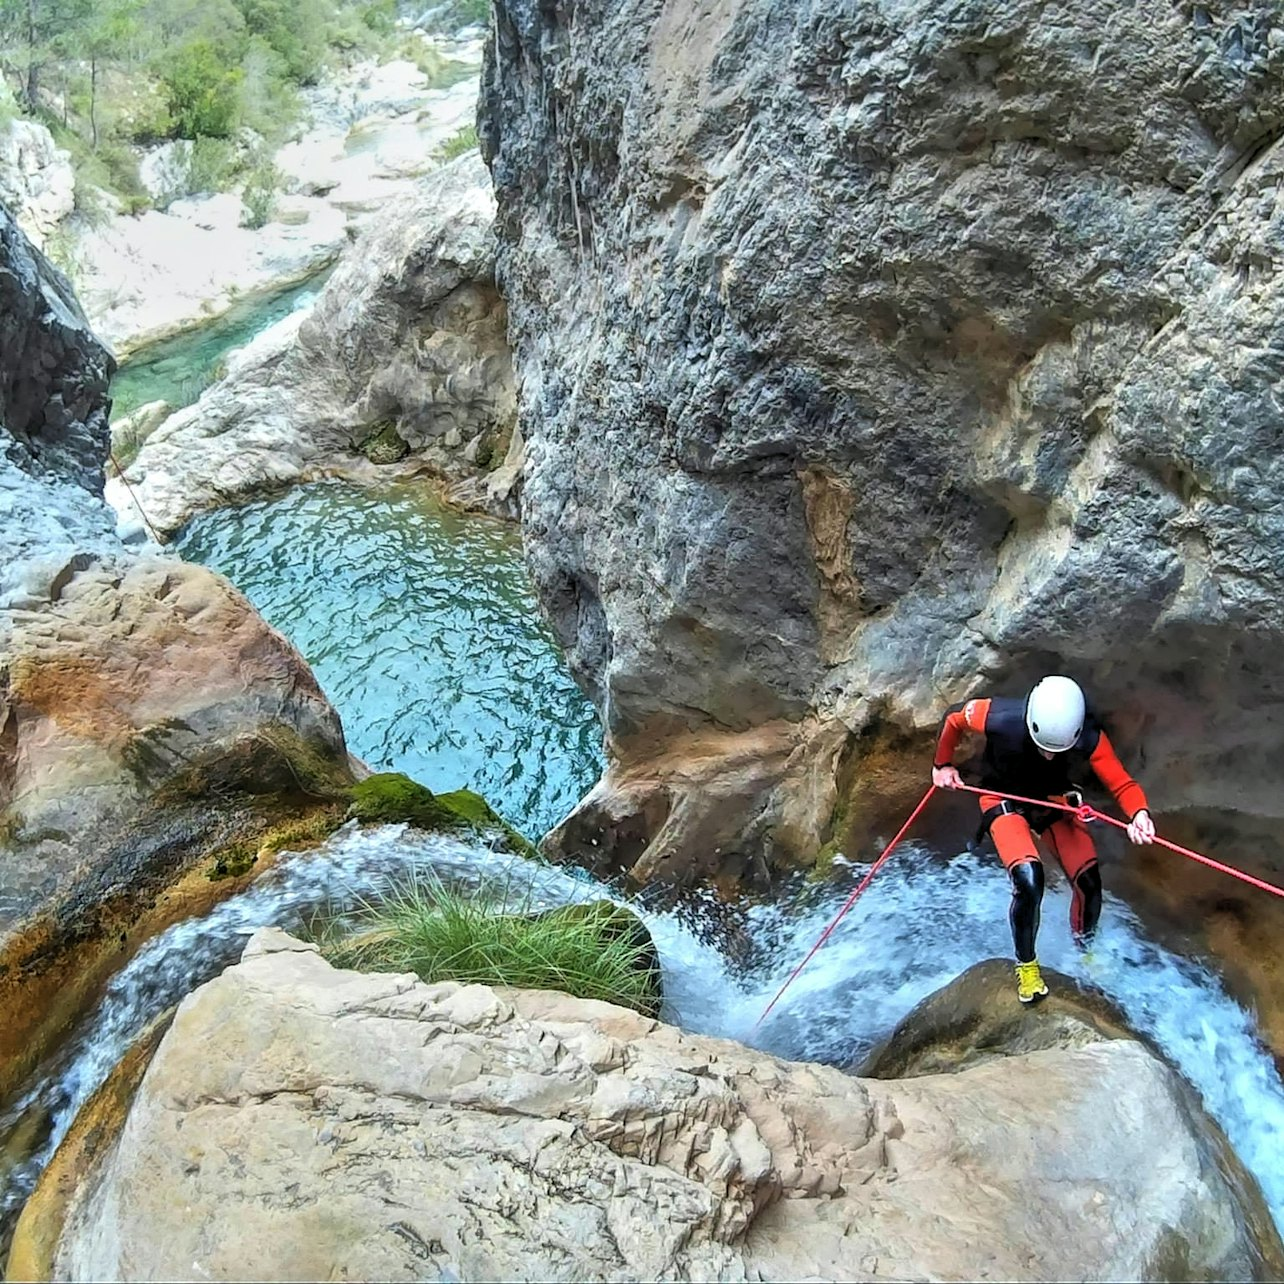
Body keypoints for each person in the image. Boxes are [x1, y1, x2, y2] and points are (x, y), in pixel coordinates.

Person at [931, 675, 1155, 1003]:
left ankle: (1086, 952)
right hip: (1000, 797)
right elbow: (954, 718)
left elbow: (1122, 784)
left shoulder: (1089, 737)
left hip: (1052, 801)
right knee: (1029, 880)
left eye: (1057, 751)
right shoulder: (1000, 717)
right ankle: (1027, 968)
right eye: (1043, 749)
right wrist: (942, 765)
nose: (1049, 756)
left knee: (1089, 881)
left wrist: (1140, 814)